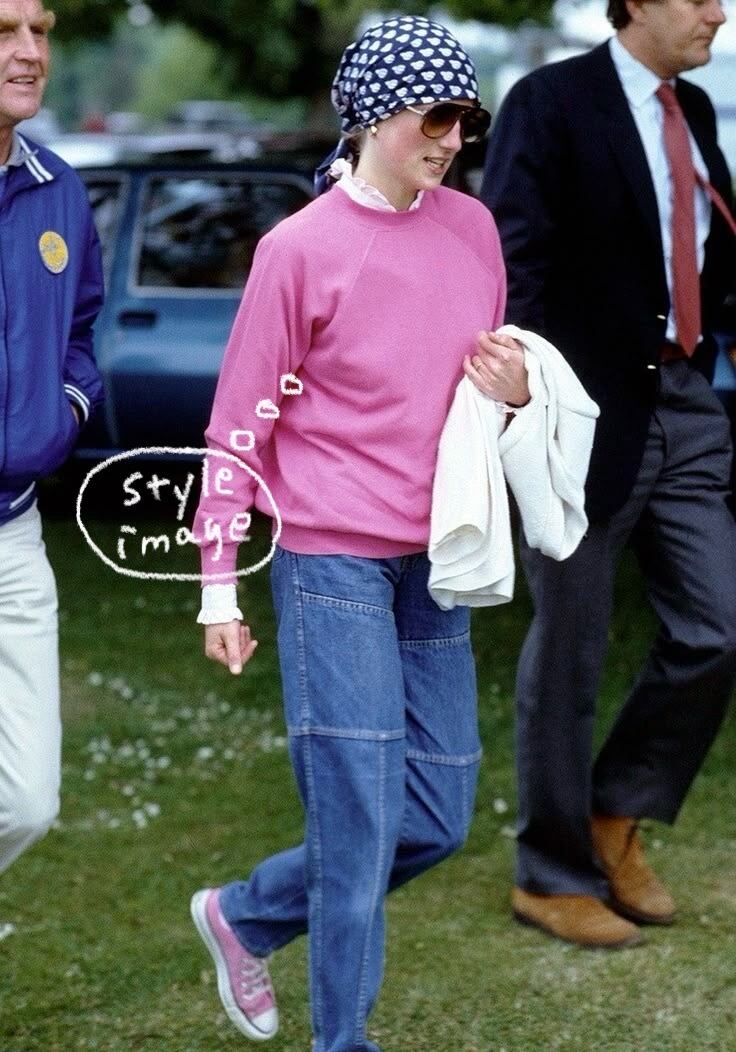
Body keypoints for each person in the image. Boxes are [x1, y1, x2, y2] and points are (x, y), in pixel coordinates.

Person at [189, 15, 528, 1051]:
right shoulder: (298, 250)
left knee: (440, 813)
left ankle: (246, 914)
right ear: (375, 117)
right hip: (329, 557)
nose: (453, 139)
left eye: (467, 121)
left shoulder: (473, 229)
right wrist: (217, 584)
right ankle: (344, 1040)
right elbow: (238, 425)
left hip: (438, 554)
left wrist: (516, 391)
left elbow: (474, 391)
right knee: (358, 815)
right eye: (436, 117)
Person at [481, 0, 736, 949]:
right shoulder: (549, 102)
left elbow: (702, 249)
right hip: (579, 413)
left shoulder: (693, 110)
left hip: (686, 397)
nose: (718, 12)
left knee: (718, 625)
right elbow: (512, 260)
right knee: (572, 650)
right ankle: (549, 875)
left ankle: (612, 811)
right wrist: (531, 397)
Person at [0, 1, 104, 881]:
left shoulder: (59, 189)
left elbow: (80, 331)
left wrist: (61, 413)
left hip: (15, 535)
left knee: (28, 798)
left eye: (41, 30)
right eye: (4, 32)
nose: (31, 52)